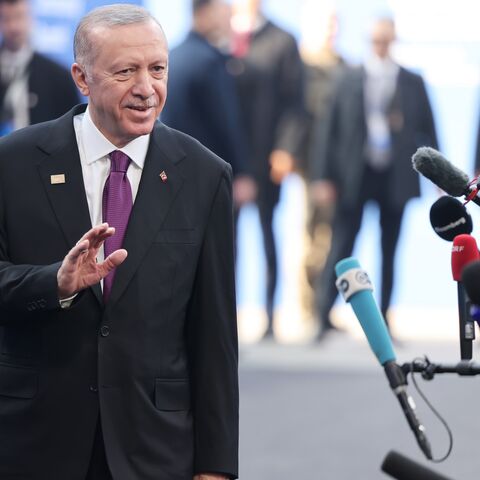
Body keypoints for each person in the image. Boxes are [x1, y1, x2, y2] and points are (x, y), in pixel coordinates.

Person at [0, 4, 238, 480]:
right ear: (82, 78)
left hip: (155, 448)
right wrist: (57, 283)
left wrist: (216, 466)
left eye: (157, 69)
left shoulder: (206, 175)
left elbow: (214, 336)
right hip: (34, 444)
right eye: (126, 71)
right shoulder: (14, 163)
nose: (146, 88)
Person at [311, 17, 438, 341]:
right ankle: (322, 315)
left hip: (395, 176)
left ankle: (384, 318)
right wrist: (324, 176)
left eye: (386, 39)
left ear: (393, 40)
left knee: (389, 249)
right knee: (341, 244)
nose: (381, 45)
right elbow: (329, 130)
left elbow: (428, 129)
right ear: (369, 41)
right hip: (355, 175)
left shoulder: (412, 81)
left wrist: (439, 176)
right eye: (376, 39)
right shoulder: (348, 78)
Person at [230, 0, 305, 339]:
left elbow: (295, 104)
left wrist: (285, 149)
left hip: (266, 160)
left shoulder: (282, 40)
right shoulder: (222, 37)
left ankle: (270, 318)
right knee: (223, 241)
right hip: (227, 158)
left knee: (266, 234)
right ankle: (224, 317)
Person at [162, 0, 255, 211]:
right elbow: (226, 122)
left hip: (173, 173)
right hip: (211, 175)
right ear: (206, 13)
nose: (229, 22)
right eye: (225, 14)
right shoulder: (210, 62)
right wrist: (241, 172)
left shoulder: (170, 57)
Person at [297, 0, 346, 325]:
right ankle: (308, 307)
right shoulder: (302, 66)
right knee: (311, 236)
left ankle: (324, 309)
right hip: (309, 167)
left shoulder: (345, 66)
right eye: (325, 22)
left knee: (331, 236)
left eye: (334, 22)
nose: (331, 29)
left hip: (338, 166)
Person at [0, 0, 79, 135]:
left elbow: (73, 130)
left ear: (31, 18)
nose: (13, 26)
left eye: (19, 17)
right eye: (6, 19)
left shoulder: (58, 76)